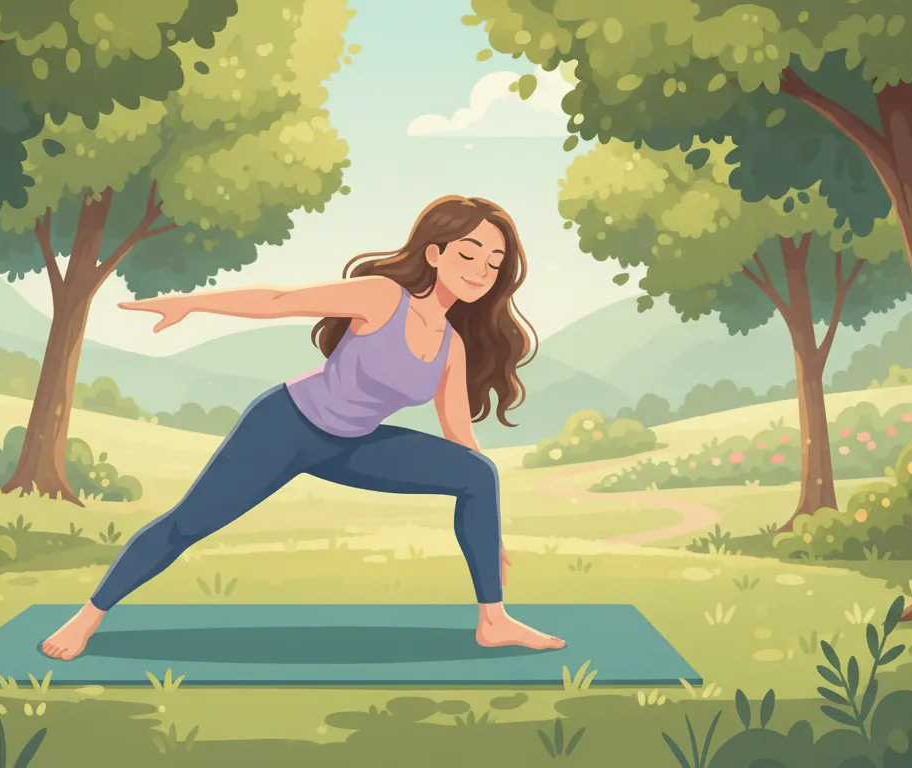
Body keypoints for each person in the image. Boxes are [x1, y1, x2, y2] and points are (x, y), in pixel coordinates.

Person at [41, 194, 566, 660]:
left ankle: (493, 622)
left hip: (352, 446)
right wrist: (192, 303)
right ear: (435, 253)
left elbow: (460, 439)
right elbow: (279, 301)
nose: (480, 271)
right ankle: (87, 618)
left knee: (478, 474)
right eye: (469, 253)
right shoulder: (382, 297)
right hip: (286, 428)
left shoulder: (453, 346)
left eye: (494, 263)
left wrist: (484, 524)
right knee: (188, 524)